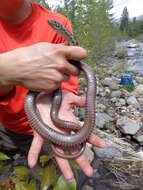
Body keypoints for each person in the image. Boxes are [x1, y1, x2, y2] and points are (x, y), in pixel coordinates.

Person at [0, 0, 106, 181]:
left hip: (41, 132)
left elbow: (64, 83)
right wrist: (5, 70)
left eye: (55, 27)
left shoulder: (59, 23)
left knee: (71, 177)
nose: (53, 26)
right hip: (4, 128)